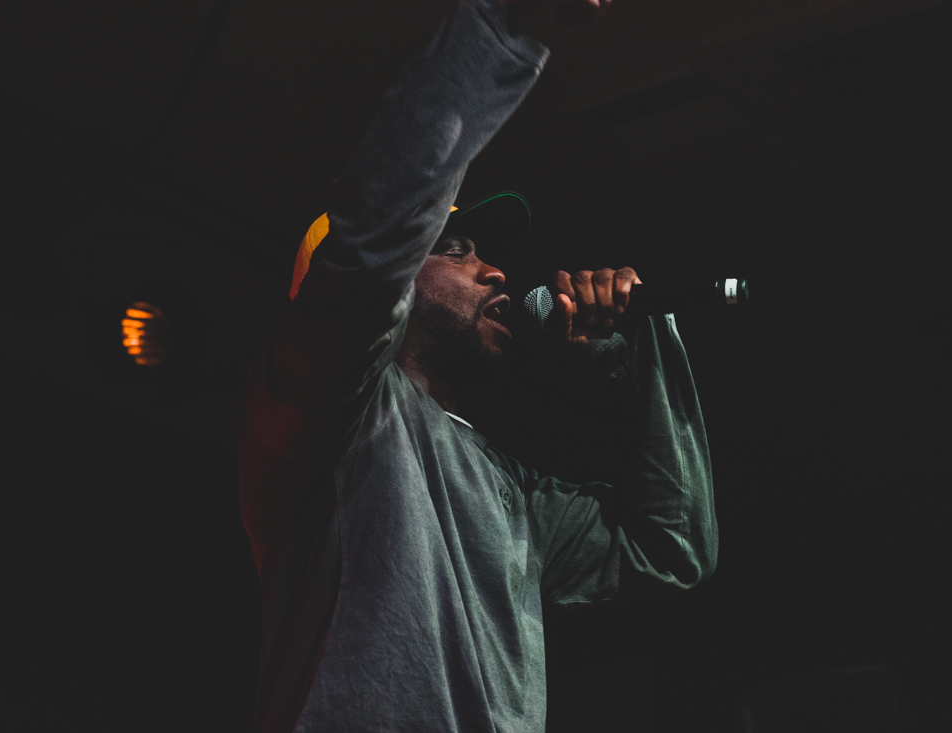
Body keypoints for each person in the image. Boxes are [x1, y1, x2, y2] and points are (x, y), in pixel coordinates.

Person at [238, 0, 718, 730]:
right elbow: (374, 241)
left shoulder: (508, 491)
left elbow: (671, 546)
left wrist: (632, 351)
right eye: (455, 249)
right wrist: (503, 23)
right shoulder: (325, 412)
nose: (493, 270)